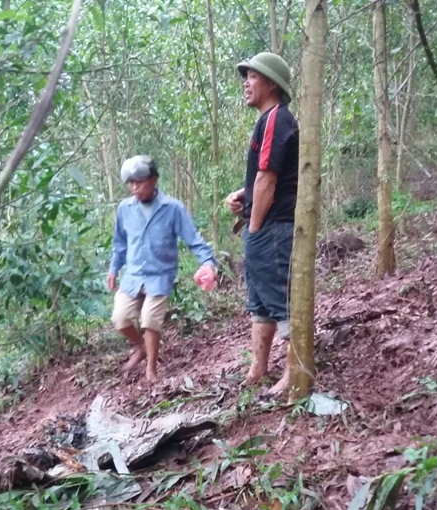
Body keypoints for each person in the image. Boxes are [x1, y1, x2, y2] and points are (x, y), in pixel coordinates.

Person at [224, 51, 299, 399]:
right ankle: (258, 369)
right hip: (265, 224)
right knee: (260, 301)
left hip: (272, 228)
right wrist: (244, 194)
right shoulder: (268, 121)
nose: (246, 83)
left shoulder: (275, 120)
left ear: (271, 83)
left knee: (280, 299)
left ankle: (294, 370)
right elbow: (264, 176)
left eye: (252, 76)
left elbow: (268, 179)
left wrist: (253, 228)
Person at [108, 155, 217, 383]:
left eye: (140, 182)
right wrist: (114, 268)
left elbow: (193, 239)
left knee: (150, 319)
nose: (135, 188)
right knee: (120, 318)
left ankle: (151, 368)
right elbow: (120, 243)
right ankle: (141, 347)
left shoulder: (173, 208)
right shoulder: (125, 209)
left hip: (160, 275)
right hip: (133, 276)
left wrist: (207, 263)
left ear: (154, 180)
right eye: (130, 183)